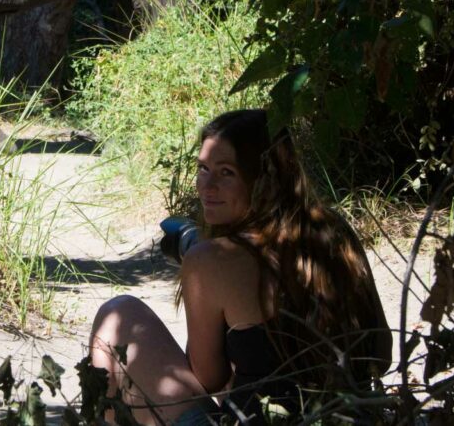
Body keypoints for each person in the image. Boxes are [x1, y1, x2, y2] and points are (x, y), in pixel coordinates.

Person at [88, 109, 392, 425]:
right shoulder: (334, 230)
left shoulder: (210, 259)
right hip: (349, 417)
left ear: (266, 178)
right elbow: (380, 355)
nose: (207, 187)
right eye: (203, 169)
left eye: (227, 172)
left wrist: (199, 261)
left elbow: (208, 380)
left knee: (119, 314)